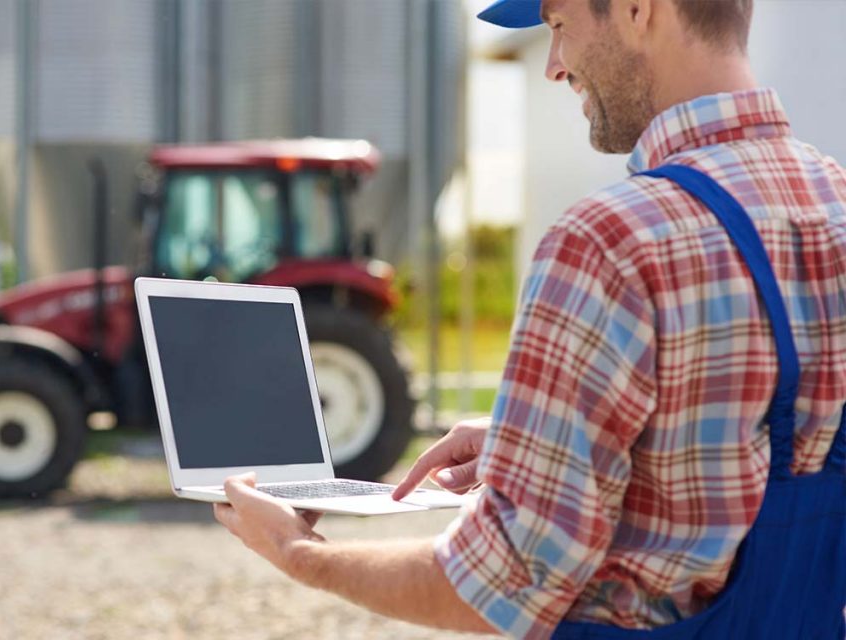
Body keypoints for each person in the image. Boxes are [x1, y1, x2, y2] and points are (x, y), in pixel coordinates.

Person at [213, 0, 846, 636]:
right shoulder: (834, 200)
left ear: (637, 10)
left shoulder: (608, 243)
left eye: (559, 25)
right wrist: (545, 439)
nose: (553, 66)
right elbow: (758, 433)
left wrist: (299, 552)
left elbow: (501, 586)